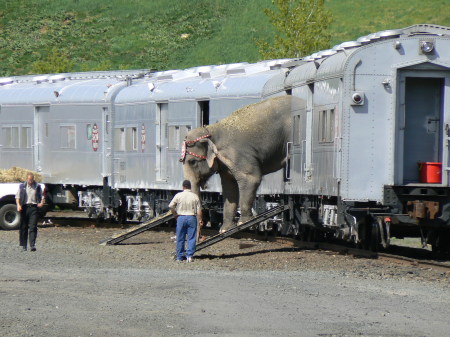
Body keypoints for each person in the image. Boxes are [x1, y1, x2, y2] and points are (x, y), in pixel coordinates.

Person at [169, 180, 203, 262]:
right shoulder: (195, 196)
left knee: (180, 238)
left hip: (181, 217)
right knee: (191, 238)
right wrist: (200, 219)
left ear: (183, 187)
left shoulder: (178, 195)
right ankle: (189, 256)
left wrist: (175, 215)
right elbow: (199, 210)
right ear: (190, 187)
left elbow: (171, 206)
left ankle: (179, 257)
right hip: (191, 217)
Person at [16, 173, 44, 252]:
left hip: (34, 208)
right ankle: (24, 245)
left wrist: (41, 202)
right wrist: (18, 205)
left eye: (31, 179)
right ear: (26, 179)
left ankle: (32, 245)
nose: (30, 181)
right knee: (23, 227)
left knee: (33, 227)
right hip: (24, 207)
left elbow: (42, 196)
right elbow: (17, 196)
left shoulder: (37, 186)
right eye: (29, 179)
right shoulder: (22, 186)